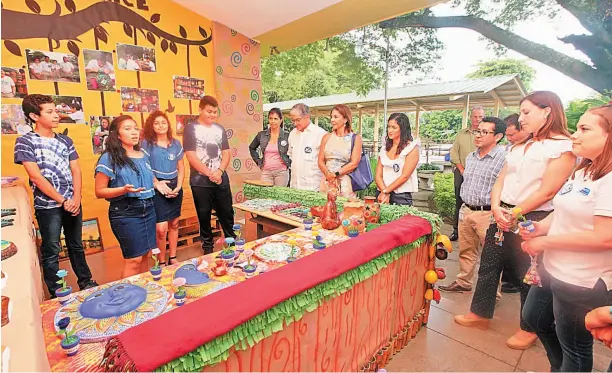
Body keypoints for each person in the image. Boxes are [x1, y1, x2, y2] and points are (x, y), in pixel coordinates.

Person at [454, 91, 577, 351]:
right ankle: (479, 313)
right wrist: (497, 206)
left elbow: (548, 190)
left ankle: (529, 327)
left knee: (528, 275)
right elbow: (502, 179)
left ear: (547, 112)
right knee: (489, 265)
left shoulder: (562, 146)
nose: (521, 119)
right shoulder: (520, 145)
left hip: (533, 217)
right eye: (520, 112)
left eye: (526, 112)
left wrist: (515, 212)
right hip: (502, 214)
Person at [520, 104, 612, 372]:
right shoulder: (583, 170)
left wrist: (545, 242)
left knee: (575, 346)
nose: (575, 134)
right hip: (554, 268)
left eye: (585, 129)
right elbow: (561, 214)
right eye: (576, 127)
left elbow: (605, 237)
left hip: (581, 279)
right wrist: (539, 228)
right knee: (534, 318)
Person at [14, 94, 98, 296]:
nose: (56, 115)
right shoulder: (25, 141)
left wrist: (76, 198)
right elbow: (36, 177)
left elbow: (76, 170)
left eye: (55, 111)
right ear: (34, 116)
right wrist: (63, 200)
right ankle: (57, 291)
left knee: (76, 245)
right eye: (49, 112)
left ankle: (86, 282)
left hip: (73, 202)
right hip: (48, 206)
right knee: (51, 250)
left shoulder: (65, 141)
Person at [439, 117, 507, 294]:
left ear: (498, 136)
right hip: (467, 209)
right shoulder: (471, 157)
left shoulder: (504, 158)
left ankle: (491, 294)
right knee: (466, 251)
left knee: (490, 256)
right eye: (478, 131)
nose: (478, 135)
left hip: (487, 213)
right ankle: (464, 281)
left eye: (485, 132)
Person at [94, 115, 157, 278]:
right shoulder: (109, 157)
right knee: (133, 260)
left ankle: (144, 291)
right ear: (117, 134)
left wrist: (160, 185)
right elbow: (99, 191)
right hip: (126, 211)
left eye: (136, 128)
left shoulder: (143, 154)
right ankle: (128, 298)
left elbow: (149, 179)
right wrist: (123, 189)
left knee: (146, 256)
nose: (134, 132)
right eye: (127, 129)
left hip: (149, 209)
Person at [184, 96, 235, 254]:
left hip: (221, 177)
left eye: (215, 112)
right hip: (200, 180)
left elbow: (226, 153)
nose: (212, 115)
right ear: (200, 110)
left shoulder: (219, 129)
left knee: (226, 211)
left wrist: (219, 172)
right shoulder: (191, 128)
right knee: (204, 214)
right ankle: (207, 247)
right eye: (209, 111)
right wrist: (209, 173)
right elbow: (191, 155)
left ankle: (231, 241)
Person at [141, 111, 184, 266]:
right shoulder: (146, 143)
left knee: (174, 224)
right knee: (161, 228)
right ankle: (162, 260)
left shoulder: (176, 143)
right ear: (151, 126)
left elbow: (181, 167)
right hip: (158, 188)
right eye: (156, 123)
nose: (161, 125)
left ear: (168, 125)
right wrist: (156, 183)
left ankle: (172, 257)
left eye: (163, 122)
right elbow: (144, 167)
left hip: (175, 187)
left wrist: (178, 186)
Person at [501, 112, 531, 294]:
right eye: (507, 135)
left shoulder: (539, 149)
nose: (509, 138)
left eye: (512, 135)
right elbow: (501, 179)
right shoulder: (511, 149)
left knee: (522, 259)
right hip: (505, 208)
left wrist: (516, 212)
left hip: (525, 210)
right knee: (502, 253)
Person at [449, 106, 485, 241]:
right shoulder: (461, 134)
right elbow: (454, 152)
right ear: (471, 117)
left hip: (480, 173)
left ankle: (478, 231)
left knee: (479, 202)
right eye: (475, 116)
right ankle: (456, 230)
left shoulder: (486, 134)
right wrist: (461, 169)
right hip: (462, 171)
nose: (477, 119)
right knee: (459, 201)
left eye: (480, 117)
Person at [375, 113, 420, 206]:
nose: (390, 130)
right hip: (381, 193)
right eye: (388, 127)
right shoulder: (384, 148)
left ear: (402, 129)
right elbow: (378, 175)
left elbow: (404, 176)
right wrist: (384, 191)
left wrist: (386, 191)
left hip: (401, 196)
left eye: (394, 127)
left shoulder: (412, 148)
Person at [318, 104, 362, 198]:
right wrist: (328, 175)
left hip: (345, 182)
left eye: (336, 117)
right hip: (327, 180)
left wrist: (336, 174)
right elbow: (320, 161)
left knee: (345, 210)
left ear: (345, 119)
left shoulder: (355, 138)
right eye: (331, 117)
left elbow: (354, 163)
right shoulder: (326, 137)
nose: (332, 120)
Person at [287, 103, 327, 191]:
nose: (295, 124)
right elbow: (291, 156)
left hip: (313, 188)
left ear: (307, 117)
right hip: (295, 187)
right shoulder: (292, 134)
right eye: (292, 120)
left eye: (298, 120)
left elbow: (326, 162)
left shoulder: (320, 134)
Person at [249, 108, 290, 186]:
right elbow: (252, 148)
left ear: (281, 120)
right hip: (266, 172)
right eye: (270, 118)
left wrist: (288, 163)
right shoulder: (261, 135)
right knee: (266, 197)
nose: (273, 121)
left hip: (281, 172)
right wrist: (258, 161)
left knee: (279, 197)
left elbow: (293, 151)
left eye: (275, 119)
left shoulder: (287, 135)